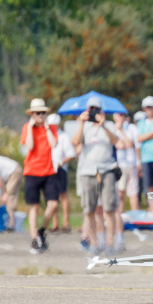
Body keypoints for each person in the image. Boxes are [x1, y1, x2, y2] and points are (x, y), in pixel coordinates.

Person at [71, 97, 127, 253]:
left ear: (101, 110)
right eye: (91, 109)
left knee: (109, 207)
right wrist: (81, 124)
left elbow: (118, 143)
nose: (93, 112)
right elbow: (75, 142)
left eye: (96, 109)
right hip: (88, 170)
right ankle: (94, 243)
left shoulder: (108, 125)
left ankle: (109, 243)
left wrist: (103, 126)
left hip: (107, 169)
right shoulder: (84, 126)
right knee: (89, 209)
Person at [21, 98, 59, 253]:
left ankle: (42, 230)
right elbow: (29, 145)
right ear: (32, 114)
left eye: (43, 113)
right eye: (38, 113)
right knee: (34, 207)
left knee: (53, 204)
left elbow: (54, 144)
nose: (41, 116)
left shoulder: (51, 128)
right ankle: (34, 238)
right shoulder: (26, 127)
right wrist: (30, 127)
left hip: (48, 171)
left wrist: (47, 128)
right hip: (32, 171)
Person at [113, 111, 139, 250]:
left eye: (123, 115)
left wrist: (120, 130)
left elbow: (129, 144)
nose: (121, 118)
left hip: (130, 164)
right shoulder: (111, 128)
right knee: (120, 194)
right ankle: (120, 220)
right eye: (119, 115)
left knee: (132, 193)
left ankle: (135, 220)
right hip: (119, 165)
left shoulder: (131, 128)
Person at [46, 114, 76, 233]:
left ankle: (66, 222)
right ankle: (55, 223)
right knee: (52, 197)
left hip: (60, 169)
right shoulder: (47, 135)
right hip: (49, 169)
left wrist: (61, 163)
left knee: (63, 195)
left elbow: (71, 154)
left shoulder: (63, 137)